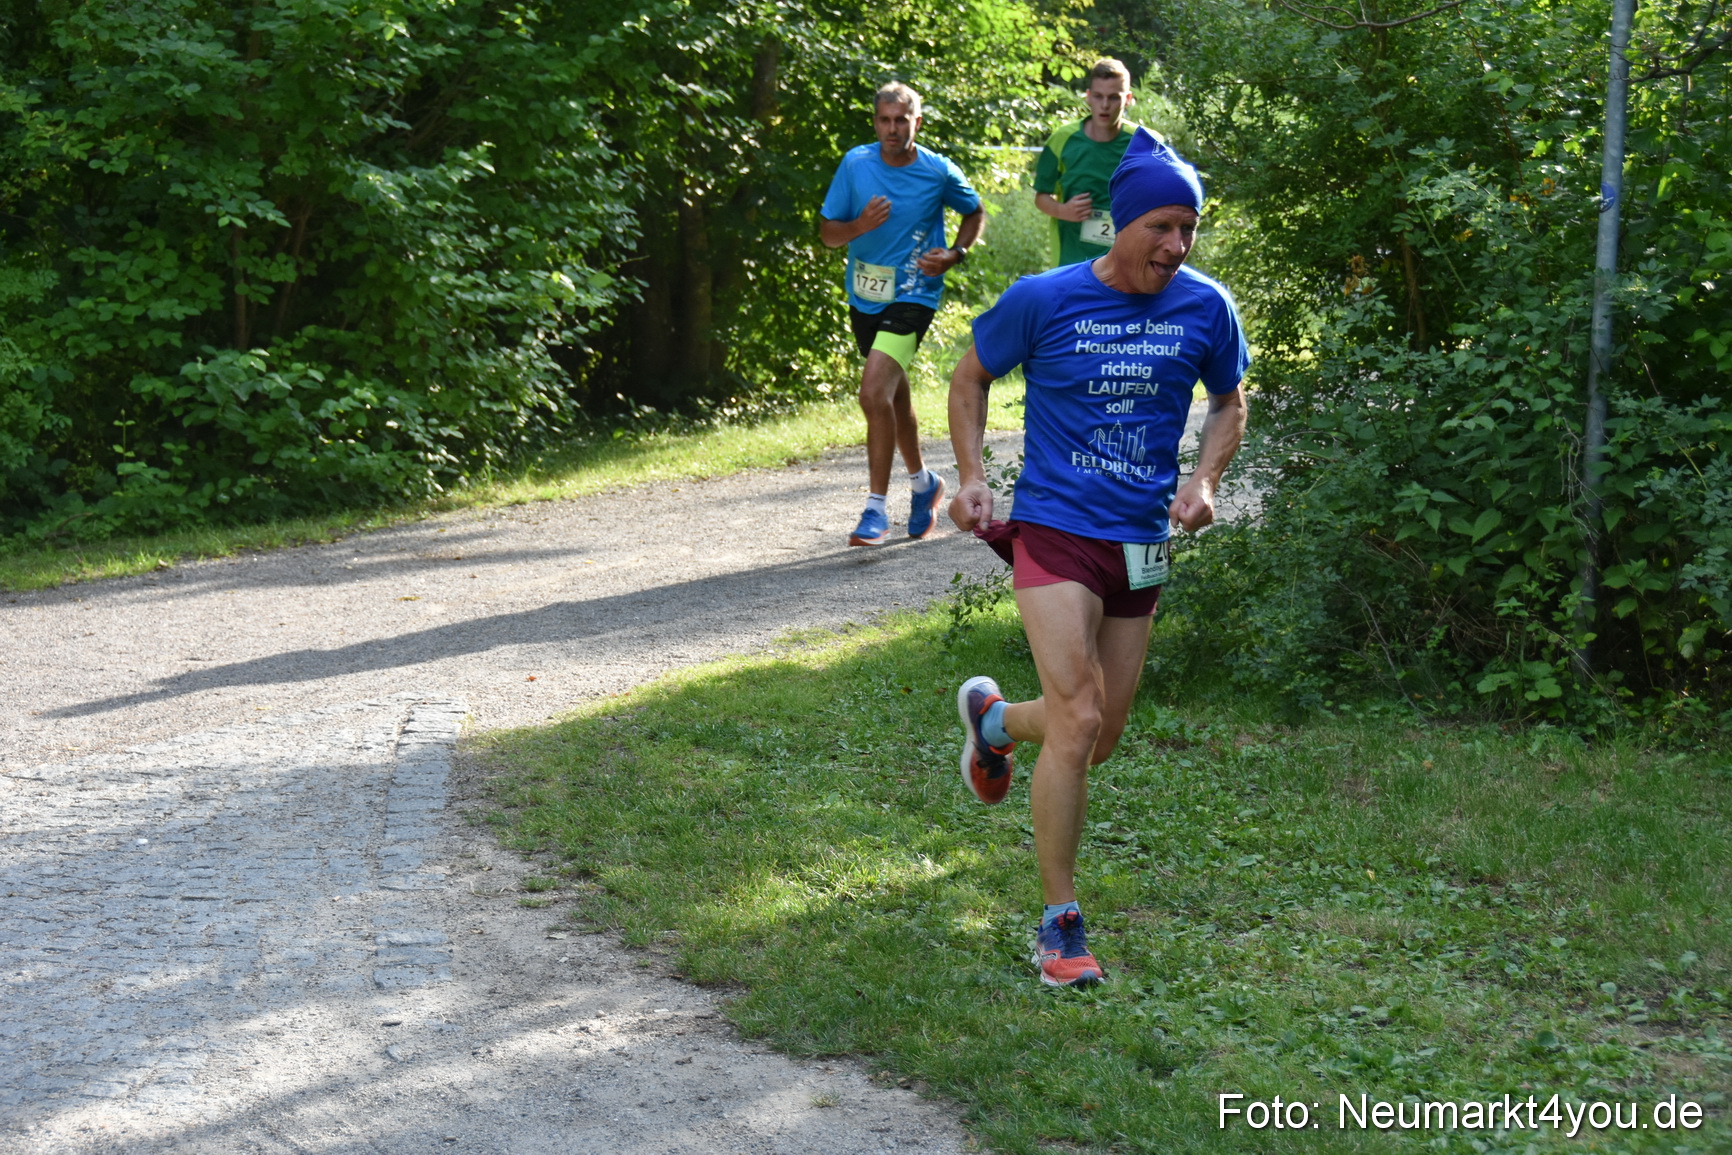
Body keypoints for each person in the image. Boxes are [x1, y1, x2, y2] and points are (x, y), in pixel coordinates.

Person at [947, 129, 1249, 987]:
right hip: (1054, 529)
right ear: (1121, 221)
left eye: (1188, 228)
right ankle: (1059, 924)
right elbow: (970, 377)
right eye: (1160, 225)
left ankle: (996, 723)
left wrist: (1205, 477)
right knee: (1078, 718)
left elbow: (1229, 403)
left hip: (1140, 544)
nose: (1176, 245)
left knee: (1099, 734)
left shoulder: (1205, 307)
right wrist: (971, 475)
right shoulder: (1044, 298)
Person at [820, 83, 986, 546]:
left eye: (901, 119)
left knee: (872, 392)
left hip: (915, 294)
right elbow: (829, 234)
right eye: (884, 120)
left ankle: (874, 509)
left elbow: (974, 213)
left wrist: (955, 254)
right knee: (893, 398)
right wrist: (859, 226)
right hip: (865, 296)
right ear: (875, 123)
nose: (892, 129)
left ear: (918, 121)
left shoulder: (938, 171)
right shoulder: (856, 164)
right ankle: (923, 483)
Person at [1033, 59, 1151, 269]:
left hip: (1128, 262)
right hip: (1071, 261)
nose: (1104, 105)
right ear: (1088, 97)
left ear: (1128, 99)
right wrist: (1063, 211)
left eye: (1114, 98)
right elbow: (1041, 196)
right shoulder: (1062, 140)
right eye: (1098, 96)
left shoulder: (1146, 143)